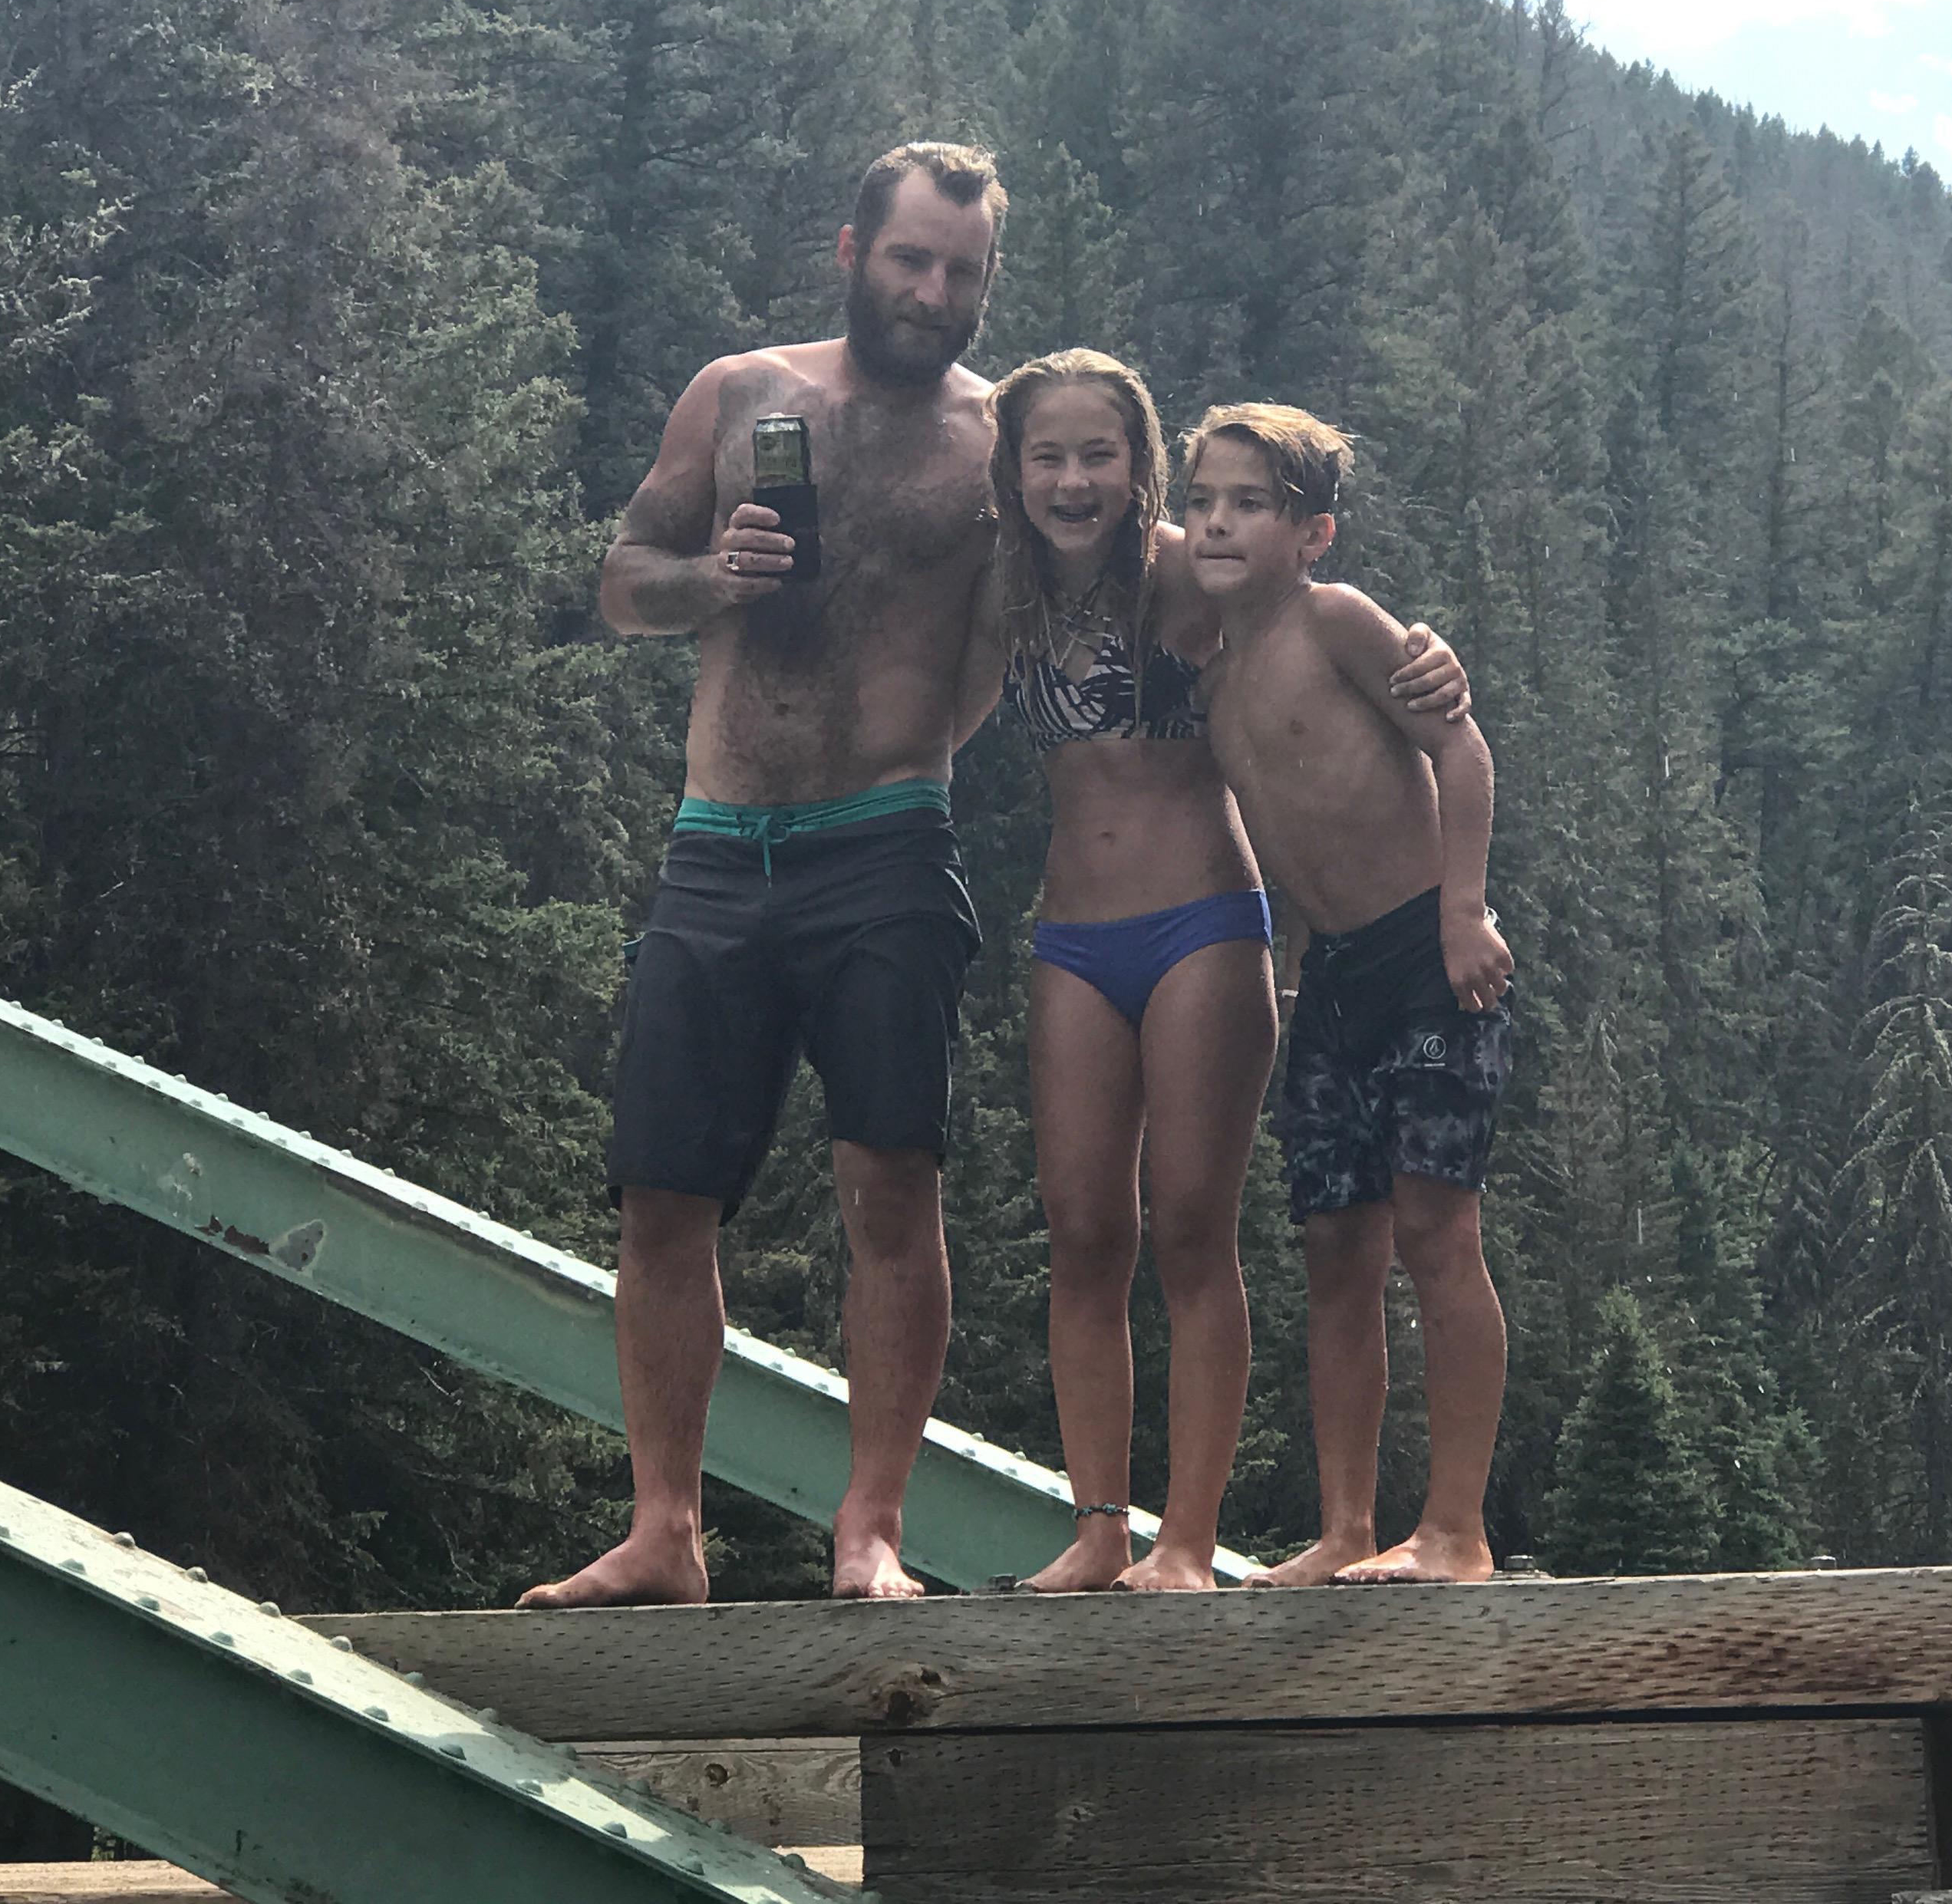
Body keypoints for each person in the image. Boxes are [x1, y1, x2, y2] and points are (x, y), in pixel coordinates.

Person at [519, 140, 1014, 1609]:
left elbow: (1093, 566)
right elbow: (623, 580)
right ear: (850, 248)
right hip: (718, 843)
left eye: (965, 271)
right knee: (665, 1196)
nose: (935, 291)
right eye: (914, 258)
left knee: (890, 1184)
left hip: (885, 847)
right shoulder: (741, 394)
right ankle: (664, 1529)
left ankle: (869, 1530)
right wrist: (711, 579)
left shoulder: (999, 437)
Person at [982, 352, 1469, 1592]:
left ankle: (1186, 1543)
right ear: (1015, 470)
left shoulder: (1191, 568)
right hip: (1072, 933)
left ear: (1141, 465)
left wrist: (1434, 664)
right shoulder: (1002, 584)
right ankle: (1099, 1529)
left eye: (1101, 456)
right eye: (1048, 456)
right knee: (1087, 1229)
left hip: (1207, 915)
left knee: (1196, 1228)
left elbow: (1309, 616)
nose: (1075, 480)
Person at [1180, 401, 1516, 1586]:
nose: (1218, 523)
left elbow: (1461, 749)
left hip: (1427, 957)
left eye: (1250, 504)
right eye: (1203, 501)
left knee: (1437, 1232)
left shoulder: (1338, 621)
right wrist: (1279, 970)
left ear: (1312, 529)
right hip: (1328, 982)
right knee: (1335, 1251)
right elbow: (1283, 833)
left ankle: (1458, 1532)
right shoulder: (1214, 681)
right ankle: (1344, 1529)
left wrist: (1463, 912)